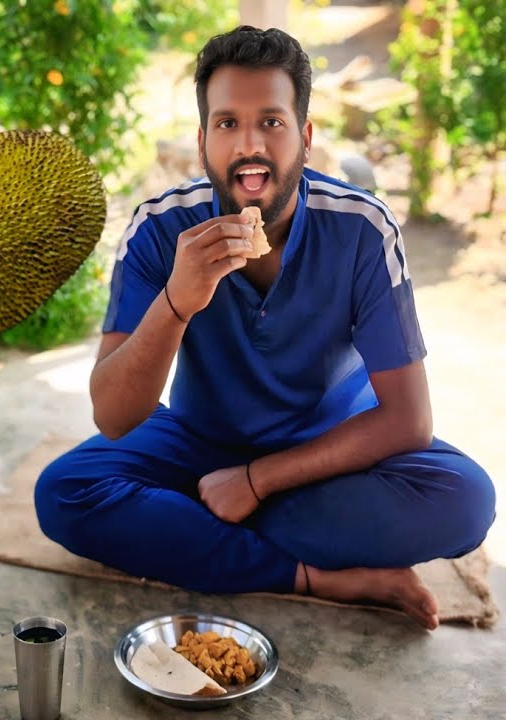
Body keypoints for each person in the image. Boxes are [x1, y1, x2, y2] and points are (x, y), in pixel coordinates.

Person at [34, 26, 495, 630]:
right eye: (227, 123)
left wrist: (257, 480)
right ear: (202, 143)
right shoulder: (159, 229)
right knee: (66, 493)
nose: (249, 145)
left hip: (330, 454)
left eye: (271, 122)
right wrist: (178, 300)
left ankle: (206, 527)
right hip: (199, 441)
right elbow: (115, 417)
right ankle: (319, 575)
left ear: (304, 137)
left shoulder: (362, 229)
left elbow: (407, 421)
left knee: (466, 500)